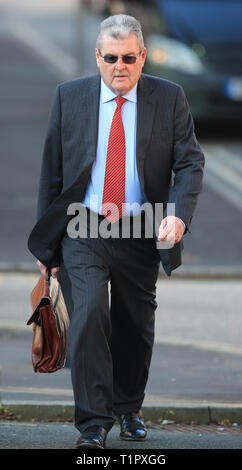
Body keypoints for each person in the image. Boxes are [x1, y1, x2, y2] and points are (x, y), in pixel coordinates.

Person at [28, 14, 205, 449]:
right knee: (88, 317)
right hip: (82, 226)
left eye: (129, 57)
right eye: (111, 58)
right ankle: (93, 422)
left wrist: (178, 215)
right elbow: (52, 169)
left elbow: (190, 162)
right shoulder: (70, 97)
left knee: (135, 324)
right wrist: (46, 244)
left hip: (143, 228)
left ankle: (128, 409)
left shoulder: (169, 97)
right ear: (98, 57)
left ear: (143, 57)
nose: (119, 67)